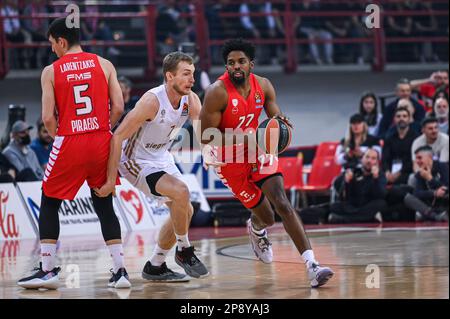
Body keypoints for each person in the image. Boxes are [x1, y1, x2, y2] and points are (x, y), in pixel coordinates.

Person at [199, 38, 333, 288]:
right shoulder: (217, 92)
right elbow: (206, 135)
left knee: (282, 202)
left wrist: (281, 122)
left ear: (251, 63)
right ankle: (257, 229)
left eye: (241, 61)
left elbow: (275, 116)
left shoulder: (264, 85)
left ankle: (312, 265)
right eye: (230, 63)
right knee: (267, 217)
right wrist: (244, 137)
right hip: (230, 159)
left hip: (260, 150)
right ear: (226, 67)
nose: (236, 66)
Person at [17, 18, 129, 290]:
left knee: (50, 200)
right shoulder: (105, 64)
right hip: (102, 137)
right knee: (104, 201)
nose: (52, 49)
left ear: (62, 41)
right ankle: (120, 271)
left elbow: (46, 118)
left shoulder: (51, 71)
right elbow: (119, 107)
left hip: (70, 139)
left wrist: (62, 138)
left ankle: (47, 270)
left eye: (52, 43)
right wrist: (102, 129)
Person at [95, 52, 208, 281]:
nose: (192, 80)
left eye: (193, 74)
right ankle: (184, 250)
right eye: (186, 74)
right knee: (181, 192)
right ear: (169, 76)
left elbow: (204, 134)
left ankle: (156, 265)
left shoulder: (191, 100)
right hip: (136, 160)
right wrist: (110, 180)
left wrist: (210, 153)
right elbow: (117, 137)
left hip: (161, 156)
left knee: (186, 211)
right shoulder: (151, 101)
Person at [329, 148, 387, 224]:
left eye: (373, 159)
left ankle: (344, 219)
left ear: (377, 162)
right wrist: (346, 182)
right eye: (367, 157)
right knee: (334, 206)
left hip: (368, 205)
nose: (369, 161)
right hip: (353, 205)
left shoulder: (380, 175)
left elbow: (381, 195)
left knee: (381, 204)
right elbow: (343, 196)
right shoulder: (355, 171)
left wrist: (375, 178)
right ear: (362, 159)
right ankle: (369, 218)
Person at [405, 146, 448, 222]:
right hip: (428, 205)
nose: (417, 161)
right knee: (408, 198)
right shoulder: (420, 173)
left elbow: (447, 188)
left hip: (444, 203)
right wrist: (434, 193)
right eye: (416, 158)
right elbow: (417, 193)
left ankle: (430, 215)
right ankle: (435, 216)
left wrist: (430, 179)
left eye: (419, 158)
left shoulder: (443, 167)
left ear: (430, 157)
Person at [382, 107, 420, 186]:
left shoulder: (416, 138)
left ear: (409, 119)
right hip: (390, 173)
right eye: (398, 116)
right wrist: (387, 172)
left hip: (408, 173)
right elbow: (385, 159)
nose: (401, 118)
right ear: (394, 119)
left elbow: (413, 160)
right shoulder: (389, 138)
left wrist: (399, 173)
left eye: (404, 116)